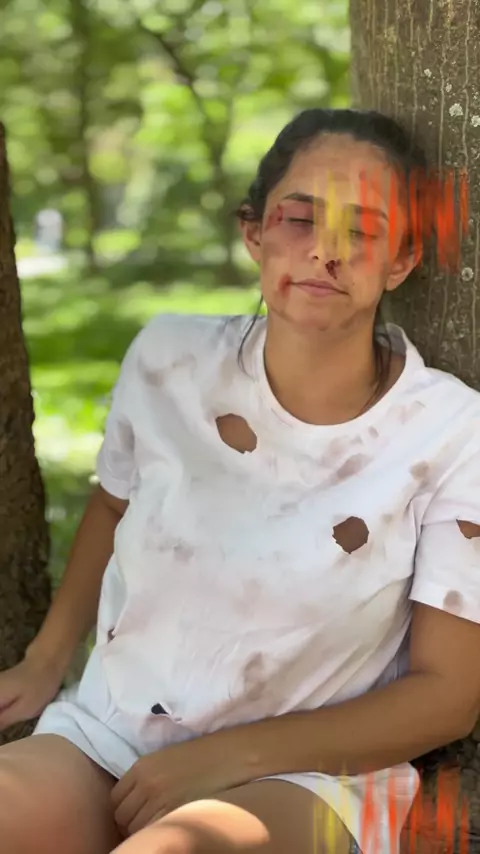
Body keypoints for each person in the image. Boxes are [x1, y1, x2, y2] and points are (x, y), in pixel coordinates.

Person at [0, 107, 479, 854]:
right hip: (111, 736)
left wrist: (225, 758)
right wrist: (46, 658)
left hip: (308, 777)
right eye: (300, 219)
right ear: (254, 232)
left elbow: (448, 696)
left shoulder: (450, 431)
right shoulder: (169, 359)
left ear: (402, 259)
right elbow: (112, 504)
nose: (324, 251)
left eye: (363, 229)